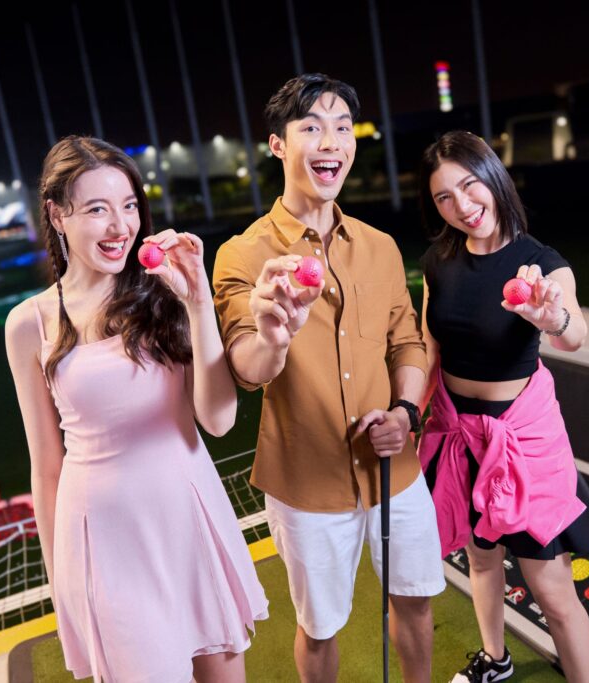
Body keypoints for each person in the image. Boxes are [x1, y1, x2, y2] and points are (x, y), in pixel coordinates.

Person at [4, 136, 267, 683]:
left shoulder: (167, 293)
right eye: (97, 209)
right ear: (57, 214)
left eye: (128, 206)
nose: (120, 225)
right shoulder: (30, 323)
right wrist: (60, 580)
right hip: (106, 544)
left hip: (189, 517)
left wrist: (198, 300)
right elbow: (46, 465)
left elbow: (219, 421)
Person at [212, 74, 445, 683]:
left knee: (416, 601)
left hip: (395, 470)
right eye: (312, 127)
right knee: (320, 628)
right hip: (306, 481)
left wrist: (406, 414)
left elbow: (407, 343)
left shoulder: (380, 246)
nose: (331, 141)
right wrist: (273, 335)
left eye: (343, 127)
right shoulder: (243, 255)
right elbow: (244, 369)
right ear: (278, 145)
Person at [417, 130, 589, 683]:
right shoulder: (438, 262)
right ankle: (495, 660)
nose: (462, 205)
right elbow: (429, 348)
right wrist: (405, 412)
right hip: (457, 433)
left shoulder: (541, 262)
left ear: (494, 177)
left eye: (469, 185)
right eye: (444, 197)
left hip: (521, 442)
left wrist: (552, 319)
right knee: (480, 559)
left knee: (553, 591)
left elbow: (575, 334)